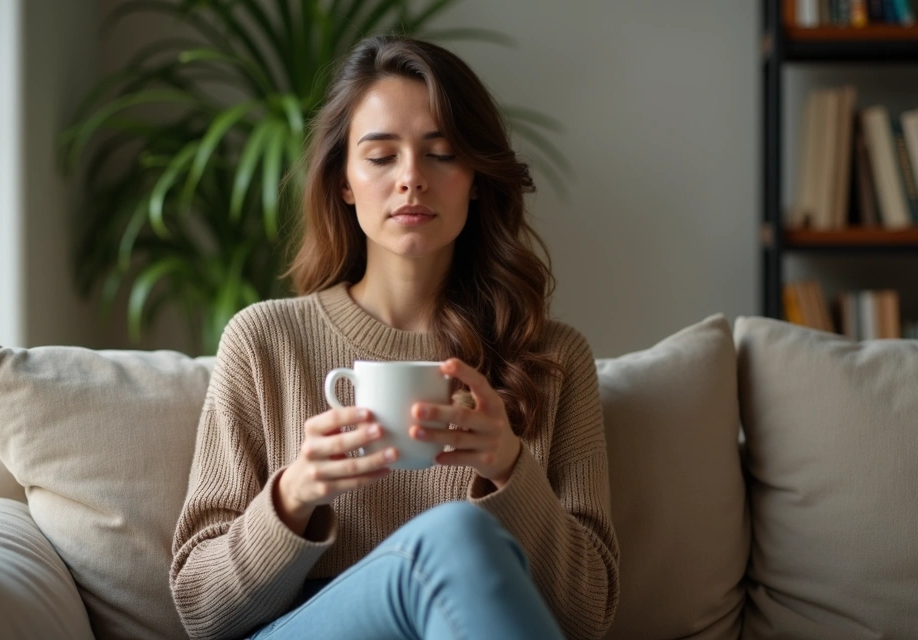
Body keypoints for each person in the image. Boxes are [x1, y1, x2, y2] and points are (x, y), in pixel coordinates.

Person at [169, 35, 619, 640]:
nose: (411, 179)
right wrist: (295, 495)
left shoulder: (553, 358)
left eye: (441, 154)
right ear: (344, 182)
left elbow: (587, 616)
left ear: (477, 179)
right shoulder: (265, 342)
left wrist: (512, 471)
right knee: (453, 537)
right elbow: (200, 608)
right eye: (381, 157)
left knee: (461, 541)